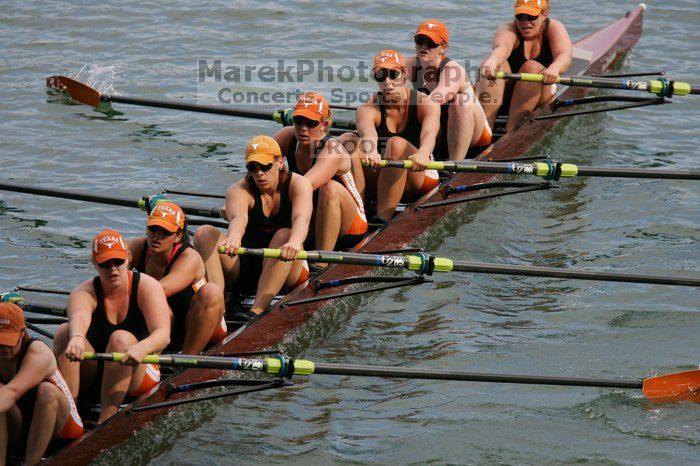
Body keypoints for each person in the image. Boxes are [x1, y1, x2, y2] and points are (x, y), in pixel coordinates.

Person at [53, 229, 171, 424]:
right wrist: (77, 337)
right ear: (94, 263)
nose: (113, 269)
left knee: (121, 338)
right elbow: (79, 316)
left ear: (128, 258)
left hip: (138, 370)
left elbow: (163, 335)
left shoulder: (147, 286)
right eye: (105, 264)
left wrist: (141, 348)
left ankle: (106, 418)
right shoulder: (83, 292)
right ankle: (70, 412)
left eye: (118, 262)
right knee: (65, 332)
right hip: (97, 369)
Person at [194, 135, 313, 320]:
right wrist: (233, 238)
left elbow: (301, 219)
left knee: (284, 234)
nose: (259, 174)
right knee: (204, 234)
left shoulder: (299, 184)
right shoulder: (239, 190)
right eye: (253, 168)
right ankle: (218, 309)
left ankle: (256, 311)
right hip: (247, 266)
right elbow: (238, 218)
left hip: (287, 264)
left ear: (280, 162)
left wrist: (295, 242)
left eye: (265, 166)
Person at [341, 50, 441, 223]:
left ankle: (382, 218)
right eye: (380, 76)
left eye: (393, 75)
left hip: (419, 173)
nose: (387, 82)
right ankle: (360, 211)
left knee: (396, 144)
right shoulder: (367, 108)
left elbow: (429, 134)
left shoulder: (426, 103)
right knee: (347, 140)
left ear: (404, 75)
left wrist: (423, 153)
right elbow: (368, 132)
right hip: (386, 169)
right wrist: (371, 150)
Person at [274, 92, 368, 252]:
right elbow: (260, 164)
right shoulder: (287, 136)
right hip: (312, 216)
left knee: (328, 188)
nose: (303, 129)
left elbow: (304, 186)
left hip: (351, 227)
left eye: (311, 123)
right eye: (298, 121)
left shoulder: (332, 150)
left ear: (324, 124)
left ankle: (322, 262)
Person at [129, 201, 226, 355]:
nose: (157, 236)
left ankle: (188, 360)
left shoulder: (189, 258)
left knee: (211, 292)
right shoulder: (137, 246)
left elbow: (159, 291)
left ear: (178, 236)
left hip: (199, 325)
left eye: (165, 232)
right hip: (163, 321)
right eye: (153, 229)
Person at [0, 303, 83, 466]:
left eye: (8, 342)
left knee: (47, 391)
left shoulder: (38, 353)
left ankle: (32, 463)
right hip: (21, 427)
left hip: (63, 431)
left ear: (22, 333)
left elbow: (13, 392)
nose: (4, 348)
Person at [477, 0, 573, 131]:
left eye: (531, 16)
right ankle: (485, 128)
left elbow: (565, 55)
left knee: (531, 67)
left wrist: (554, 69)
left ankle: (510, 133)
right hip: (508, 93)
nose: (525, 22)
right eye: (520, 16)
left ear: (545, 14)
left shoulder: (554, 27)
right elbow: (502, 48)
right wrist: (491, 62)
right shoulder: (508, 28)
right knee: (493, 63)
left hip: (541, 91)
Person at [406, 20, 493, 160]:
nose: (424, 47)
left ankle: (455, 167)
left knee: (461, 102)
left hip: (475, 140)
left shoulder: (452, 70)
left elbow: (435, 100)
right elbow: (383, 78)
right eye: (420, 40)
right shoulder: (410, 64)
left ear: (443, 47)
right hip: (440, 133)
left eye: (431, 43)